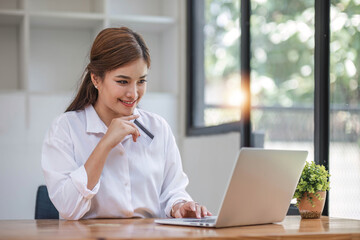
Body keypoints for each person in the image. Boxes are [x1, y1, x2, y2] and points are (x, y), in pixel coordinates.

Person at [41, 27, 212, 220]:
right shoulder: (65, 129)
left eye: (141, 81)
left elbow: (172, 190)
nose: (133, 93)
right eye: (123, 82)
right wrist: (105, 144)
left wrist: (179, 206)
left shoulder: (158, 127)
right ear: (96, 79)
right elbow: (68, 209)